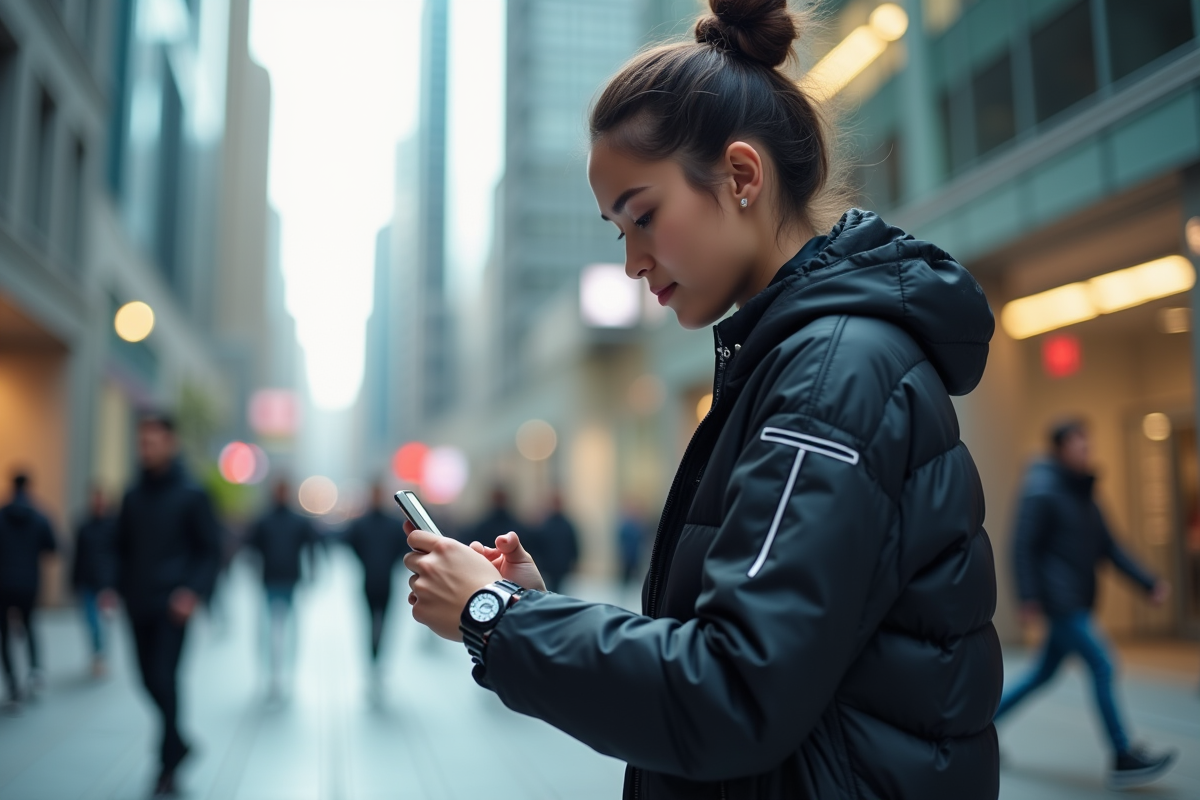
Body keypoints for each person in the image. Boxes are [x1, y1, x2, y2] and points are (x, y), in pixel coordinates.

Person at [403, 2, 1001, 798]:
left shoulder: (829, 376)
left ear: (742, 177)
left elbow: (731, 693)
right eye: (618, 231)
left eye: (644, 217)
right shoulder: (801, 360)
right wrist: (527, 607)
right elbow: (740, 652)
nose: (632, 261)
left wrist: (497, 617)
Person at [995, 419, 1177, 789]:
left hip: (1078, 597)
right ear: (1061, 448)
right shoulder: (1041, 489)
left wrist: (1148, 584)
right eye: (1080, 444)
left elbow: (1110, 547)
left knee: (1041, 674)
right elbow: (1022, 546)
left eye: (1087, 444)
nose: (1086, 450)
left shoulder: (1084, 494)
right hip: (1061, 600)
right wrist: (1028, 597)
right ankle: (1122, 755)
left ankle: (977, 728)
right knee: (1102, 663)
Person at [102, 413, 221, 798]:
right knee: (146, 680)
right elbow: (119, 546)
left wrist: (191, 591)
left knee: (165, 679)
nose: (146, 449)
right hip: (137, 603)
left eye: (153, 442)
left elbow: (210, 550)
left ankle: (167, 765)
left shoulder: (193, 494)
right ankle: (179, 743)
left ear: (171, 443)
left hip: (173, 606)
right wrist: (110, 586)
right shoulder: (133, 495)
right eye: (142, 443)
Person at [244, 478, 317, 699]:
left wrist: (312, 573)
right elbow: (251, 549)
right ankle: (271, 674)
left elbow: (311, 547)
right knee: (268, 631)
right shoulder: (264, 520)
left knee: (289, 629)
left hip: (290, 581)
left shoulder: (297, 521)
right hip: (270, 581)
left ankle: (286, 673)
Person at [343, 482, 409, 700]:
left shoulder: (387, 524)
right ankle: (373, 659)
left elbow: (402, 546)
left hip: (383, 580)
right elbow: (352, 544)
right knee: (371, 622)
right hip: (371, 580)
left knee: (383, 623)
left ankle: (378, 659)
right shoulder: (365, 523)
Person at [0, 472, 58, 711]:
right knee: (29, 625)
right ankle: (35, 671)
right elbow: (53, 546)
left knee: (5, 635)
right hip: (29, 582)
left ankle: (14, 688)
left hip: (3, 583)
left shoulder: (1, 515)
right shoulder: (39, 515)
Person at [72, 485, 116, 678]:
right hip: (87, 580)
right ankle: (98, 654)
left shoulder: (115, 526)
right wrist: (74, 580)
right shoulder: (84, 525)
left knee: (103, 622)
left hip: (106, 583)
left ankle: (101, 655)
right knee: (91, 621)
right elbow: (78, 555)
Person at [525, 493, 580, 594]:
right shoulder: (546, 524)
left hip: (561, 566)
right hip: (549, 566)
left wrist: (573, 561)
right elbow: (539, 545)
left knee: (558, 591)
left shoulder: (565, 524)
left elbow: (573, 544)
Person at [616, 498, 649, 587]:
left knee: (637, 577)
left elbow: (642, 538)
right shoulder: (626, 525)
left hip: (636, 556)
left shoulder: (638, 525)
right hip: (627, 556)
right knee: (625, 578)